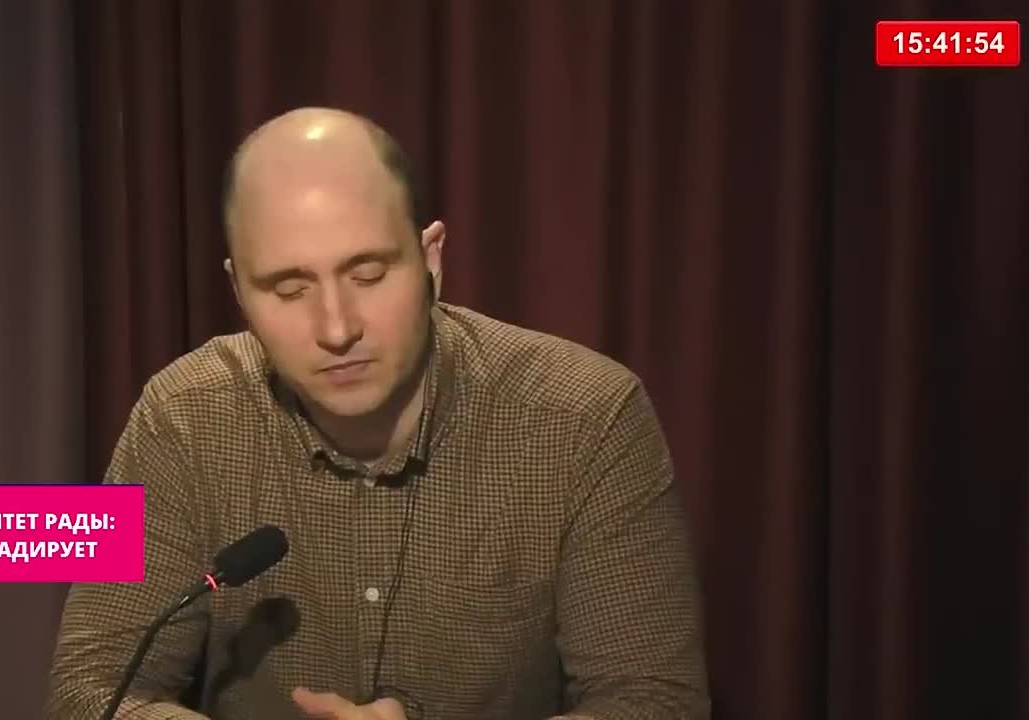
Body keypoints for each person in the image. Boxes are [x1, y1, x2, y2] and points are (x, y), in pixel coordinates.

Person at [48, 107, 709, 720]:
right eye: (289, 288)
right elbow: (88, 689)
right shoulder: (180, 416)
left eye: (367, 274)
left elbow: (655, 702)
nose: (337, 328)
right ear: (239, 292)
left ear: (430, 261)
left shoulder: (588, 415)